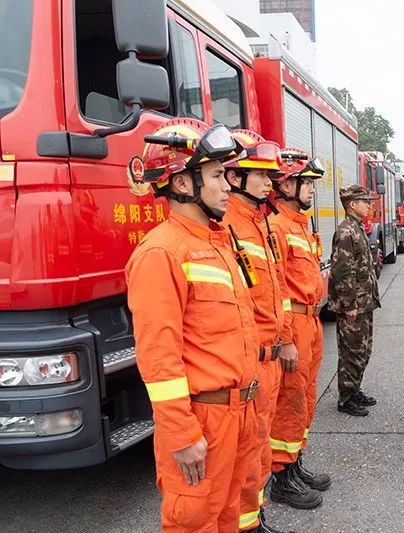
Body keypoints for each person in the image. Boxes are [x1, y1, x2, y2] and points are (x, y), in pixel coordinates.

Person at [125, 118, 262, 531]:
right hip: (203, 422)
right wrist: (183, 435)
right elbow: (158, 357)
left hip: (238, 414)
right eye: (218, 175)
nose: (227, 186)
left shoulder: (217, 245)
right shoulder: (161, 253)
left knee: (228, 519)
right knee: (195, 522)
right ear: (182, 183)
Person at [221, 130, 294, 533]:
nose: (270, 183)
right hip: (251, 360)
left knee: (260, 447)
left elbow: (274, 289)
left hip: (269, 353)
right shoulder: (230, 228)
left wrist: (284, 338)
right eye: (260, 175)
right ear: (234, 178)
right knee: (247, 454)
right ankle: (248, 523)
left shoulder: (259, 223)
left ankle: (256, 515)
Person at [267, 149, 330, 509]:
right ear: (287, 183)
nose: (311, 190)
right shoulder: (277, 227)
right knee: (290, 399)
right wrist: (287, 338)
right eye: (307, 183)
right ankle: (282, 476)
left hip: (312, 319)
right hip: (295, 324)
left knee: (305, 396)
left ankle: (295, 463)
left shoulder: (298, 225)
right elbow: (277, 290)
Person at [328, 184, 381, 417]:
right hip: (354, 306)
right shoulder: (346, 232)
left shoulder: (357, 228)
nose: (368, 205)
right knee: (351, 351)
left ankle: (355, 389)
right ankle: (346, 398)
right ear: (352, 205)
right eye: (364, 202)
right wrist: (349, 304)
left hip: (364, 302)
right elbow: (343, 271)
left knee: (363, 349)